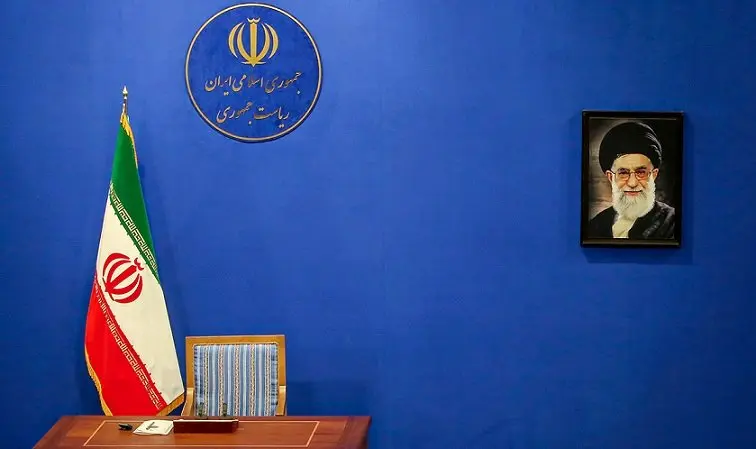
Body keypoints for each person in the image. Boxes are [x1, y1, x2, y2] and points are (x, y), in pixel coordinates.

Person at [587, 121, 675, 239]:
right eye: (623, 173)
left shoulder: (672, 222)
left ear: (654, 175)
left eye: (641, 172)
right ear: (610, 177)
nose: (632, 183)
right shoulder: (595, 226)